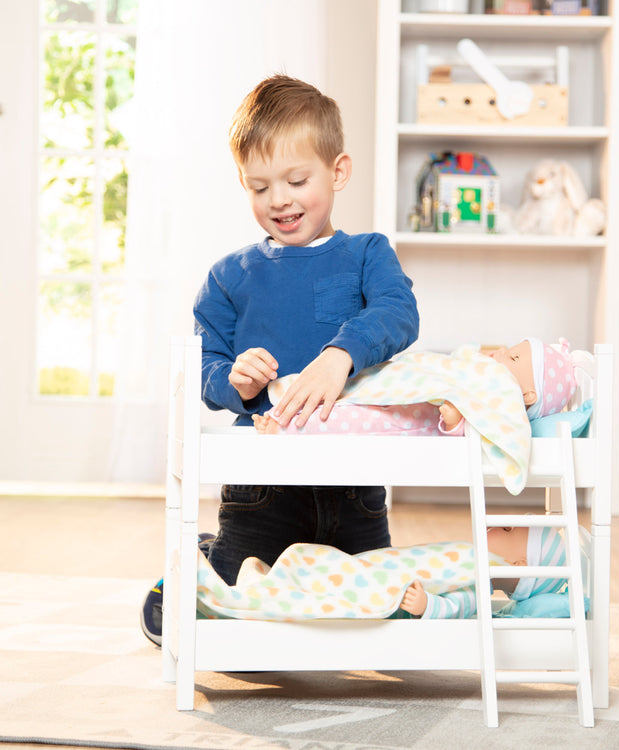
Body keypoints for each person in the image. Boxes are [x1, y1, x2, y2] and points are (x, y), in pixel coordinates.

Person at [141, 74, 418, 646]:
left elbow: (399, 312)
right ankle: (199, 562)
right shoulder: (229, 275)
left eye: (297, 180)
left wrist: (340, 354)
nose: (280, 200)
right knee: (236, 631)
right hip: (261, 487)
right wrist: (233, 382)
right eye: (259, 187)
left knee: (382, 621)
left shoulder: (368, 254)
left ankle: (214, 558)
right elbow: (205, 363)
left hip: (355, 489)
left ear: (337, 172)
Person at [250, 337, 577, 436]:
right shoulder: (486, 374)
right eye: (510, 347)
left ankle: (286, 428)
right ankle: (287, 403)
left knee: (349, 420)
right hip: (404, 393)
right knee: (355, 389)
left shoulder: (502, 402)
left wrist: (454, 420)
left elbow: (483, 429)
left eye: (514, 358)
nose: (502, 353)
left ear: (528, 396)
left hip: (409, 420)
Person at [398, 524, 579, 619]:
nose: (491, 525)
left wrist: (425, 605)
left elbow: (454, 608)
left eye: (506, 529)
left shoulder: (476, 586)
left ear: (520, 564)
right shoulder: (471, 566)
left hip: (397, 595)